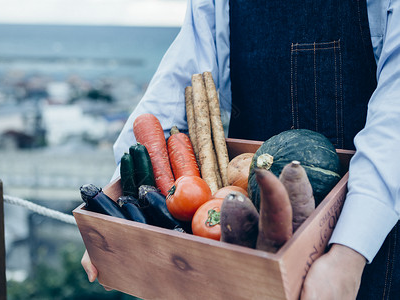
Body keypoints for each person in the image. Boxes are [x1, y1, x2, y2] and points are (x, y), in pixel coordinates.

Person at [82, 0, 400, 298]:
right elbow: (175, 86)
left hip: (364, 243)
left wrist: (349, 253)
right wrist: (115, 216)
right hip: (239, 241)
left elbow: (394, 118)